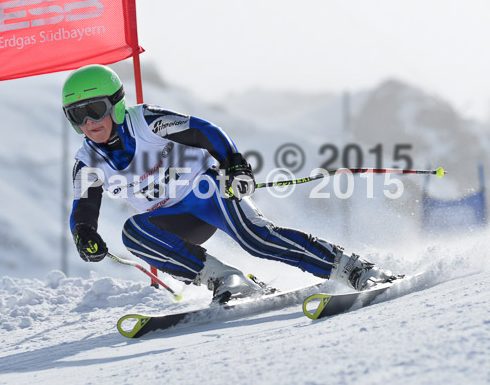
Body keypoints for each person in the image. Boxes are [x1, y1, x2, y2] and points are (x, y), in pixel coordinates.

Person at [63, 64, 396, 304]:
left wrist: (234, 165)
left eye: (95, 109)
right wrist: (84, 234)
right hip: (177, 221)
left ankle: (351, 268)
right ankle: (227, 280)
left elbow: (205, 131)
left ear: (117, 104)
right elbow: (84, 206)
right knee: (133, 233)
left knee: (256, 238)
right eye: (78, 115)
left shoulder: (147, 122)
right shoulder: (87, 162)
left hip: (208, 189)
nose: (89, 122)